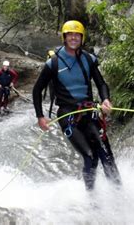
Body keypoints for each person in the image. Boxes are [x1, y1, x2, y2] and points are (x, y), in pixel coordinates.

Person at [32, 20, 121, 190]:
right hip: (68, 116)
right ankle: (91, 199)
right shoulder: (53, 64)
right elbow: (37, 90)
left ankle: (119, 194)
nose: (73, 38)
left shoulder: (88, 59)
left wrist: (105, 99)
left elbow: (101, 83)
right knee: (90, 157)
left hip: (89, 111)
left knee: (107, 156)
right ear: (64, 38)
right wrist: (40, 117)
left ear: (82, 37)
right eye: (70, 35)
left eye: (77, 35)